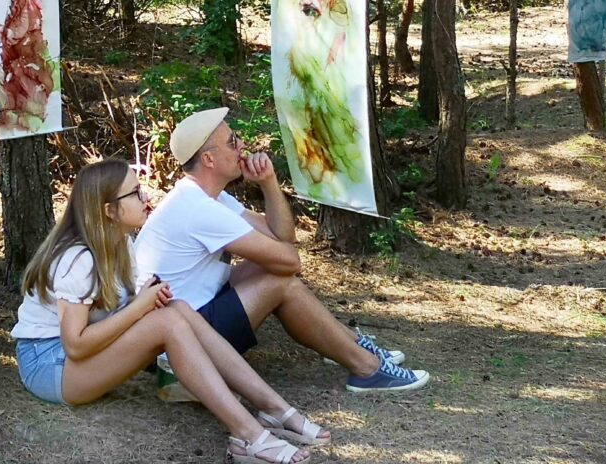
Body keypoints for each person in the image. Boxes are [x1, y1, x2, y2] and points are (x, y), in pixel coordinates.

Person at [11, 158, 330, 463]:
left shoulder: (121, 242)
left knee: (177, 308)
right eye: (135, 193)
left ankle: (274, 408)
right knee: (166, 321)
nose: (145, 197)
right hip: (48, 364)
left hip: (76, 358)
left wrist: (144, 300)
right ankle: (249, 435)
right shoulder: (78, 259)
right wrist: (140, 308)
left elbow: (113, 313)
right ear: (109, 210)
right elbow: (76, 345)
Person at [134, 108, 430, 393]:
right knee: (280, 280)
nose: (242, 145)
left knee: (271, 269)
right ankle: (366, 368)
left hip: (181, 324)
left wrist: (268, 182)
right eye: (232, 141)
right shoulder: (199, 209)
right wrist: (280, 255)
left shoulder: (208, 198)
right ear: (208, 159)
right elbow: (290, 261)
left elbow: (283, 236)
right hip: (175, 346)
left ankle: (348, 344)